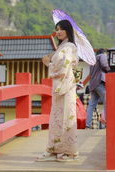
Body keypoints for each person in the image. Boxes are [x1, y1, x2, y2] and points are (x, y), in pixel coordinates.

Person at [36, 20, 79, 162]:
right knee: (56, 119)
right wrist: (50, 63)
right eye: (57, 29)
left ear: (68, 30)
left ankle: (65, 150)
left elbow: (65, 67)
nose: (58, 32)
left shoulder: (70, 46)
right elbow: (61, 65)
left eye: (61, 29)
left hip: (65, 87)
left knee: (66, 118)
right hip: (59, 86)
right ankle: (54, 149)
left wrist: (50, 65)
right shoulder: (62, 47)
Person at [85, 48, 110, 129]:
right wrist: (109, 69)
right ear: (103, 53)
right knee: (107, 102)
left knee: (91, 105)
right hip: (99, 83)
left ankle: (87, 124)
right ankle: (103, 125)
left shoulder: (92, 60)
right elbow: (104, 65)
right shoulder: (102, 56)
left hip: (92, 85)